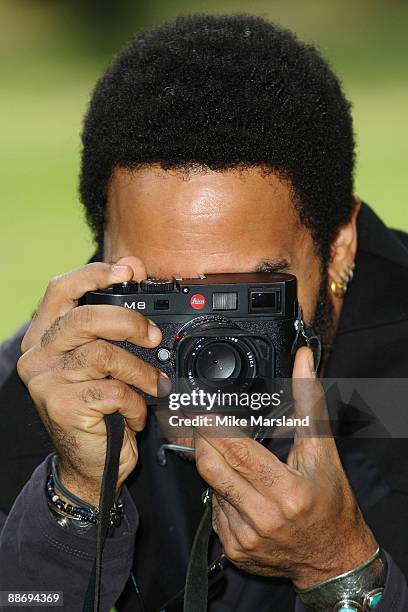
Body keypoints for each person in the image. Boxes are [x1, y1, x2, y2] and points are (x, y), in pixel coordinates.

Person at [1, 13, 408, 612]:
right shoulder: (46, 385)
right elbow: (26, 599)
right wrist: (74, 502)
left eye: (246, 295)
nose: (205, 339)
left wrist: (339, 569)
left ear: (339, 244)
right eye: (162, 293)